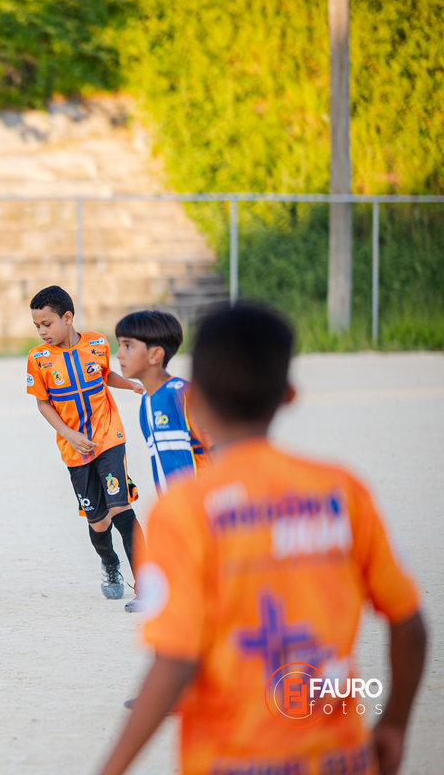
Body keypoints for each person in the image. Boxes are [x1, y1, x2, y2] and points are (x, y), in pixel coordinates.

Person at [97, 303, 428, 775]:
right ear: (289, 395)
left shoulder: (184, 511)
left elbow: (176, 659)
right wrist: (393, 725)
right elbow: (410, 625)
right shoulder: (342, 490)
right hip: (341, 758)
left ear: (198, 396)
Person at [25, 285, 146, 603]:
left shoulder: (97, 343)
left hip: (108, 437)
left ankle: (146, 584)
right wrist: (69, 434)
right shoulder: (38, 359)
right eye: (37, 326)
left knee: (121, 508)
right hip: (75, 450)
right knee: (98, 521)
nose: (42, 331)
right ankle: (110, 563)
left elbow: (105, 376)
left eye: (47, 324)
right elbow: (42, 403)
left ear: (68, 318)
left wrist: (130, 385)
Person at [115, 310, 212, 494]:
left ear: (155, 355)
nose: (119, 354)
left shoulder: (182, 394)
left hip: (202, 502)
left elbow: (219, 449)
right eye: (119, 344)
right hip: (173, 505)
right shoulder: (146, 403)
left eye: (127, 346)